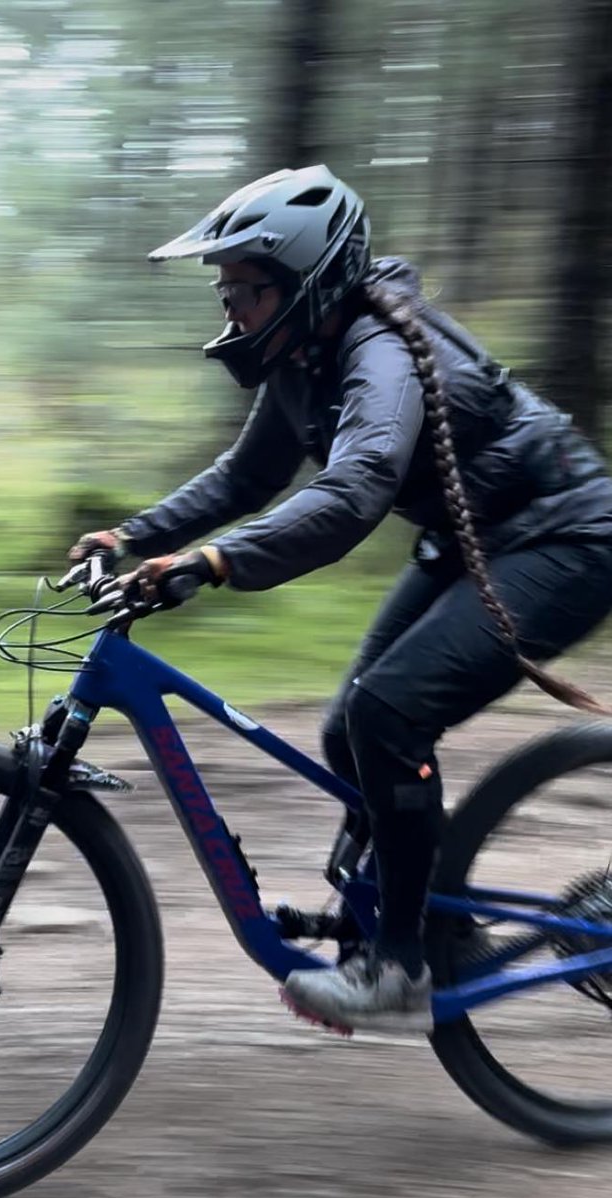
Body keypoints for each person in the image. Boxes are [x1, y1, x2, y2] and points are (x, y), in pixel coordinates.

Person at [68, 164, 612, 1034]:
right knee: (347, 726)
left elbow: (354, 493)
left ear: (305, 281)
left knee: (389, 716)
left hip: (568, 541)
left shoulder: (380, 354)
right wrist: (135, 533)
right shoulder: (301, 356)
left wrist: (211, 563)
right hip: (477, 541)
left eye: (243, 288)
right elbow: (249, 475)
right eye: (225, 289)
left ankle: (397, 968)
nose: (229, 308)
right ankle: (439, 930)